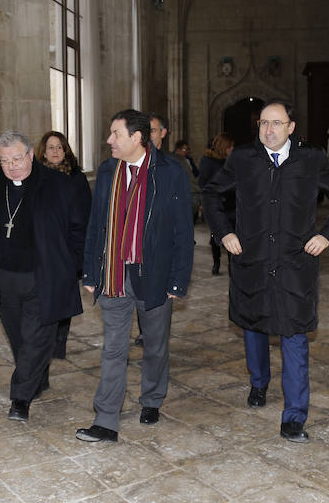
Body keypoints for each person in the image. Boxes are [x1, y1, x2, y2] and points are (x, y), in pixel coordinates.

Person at [202, 99, 329, 443]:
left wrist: (327, 235)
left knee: (294, 335)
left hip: (294, 264)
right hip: (252, 259)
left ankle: (294, 416)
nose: (268, 130)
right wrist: (224, 232)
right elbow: (211, 195)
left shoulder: (311, 158)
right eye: (263, 124)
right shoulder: (243, 158)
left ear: (291, 127)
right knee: (253, 325)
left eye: (276, 123)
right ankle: (259, 382)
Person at [76, 109, 194, 443]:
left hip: (154, 274)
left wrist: (177, 280)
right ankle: (105, 420)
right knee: (113, 348)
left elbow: (183, 231)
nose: (110, 140)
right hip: (114, 274)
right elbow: (96, 225)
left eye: (116, 134)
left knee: (155, 346)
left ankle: (152, 398)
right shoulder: (108, 170)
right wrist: (89, 270)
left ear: (137, 138)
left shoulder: (171, 172)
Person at [0, 131, 89, 422]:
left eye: (18, 158)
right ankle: (36, 377)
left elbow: (78, 228)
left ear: (31, 155)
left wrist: (74, 266)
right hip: (6, 276)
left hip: (44, 274)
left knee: (37, 335)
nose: (12, 166)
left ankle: (20, 398)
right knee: (19, 337)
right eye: (5, 161)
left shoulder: (57, 184)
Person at [38, 130, 92, 359]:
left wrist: (80, 252)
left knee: (65, 295)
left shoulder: (76, 177)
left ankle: (60, 341)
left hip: (68, 248)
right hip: (43, 250)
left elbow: (86, 214)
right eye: (51, 147)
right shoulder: (36, 177)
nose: (55, 151)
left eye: (59, 147)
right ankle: (46, 339)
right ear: (43, 151)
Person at [198, 133, 235, 275]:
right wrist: (205, 202)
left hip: (232, 204)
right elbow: (203, 182)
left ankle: (233, 265)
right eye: (229, 146)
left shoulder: (232, 160)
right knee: (216, 236)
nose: (232, 149)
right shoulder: (208, 161)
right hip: (216, 204)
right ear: (223, 146)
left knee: (232, 234)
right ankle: (216, 262)